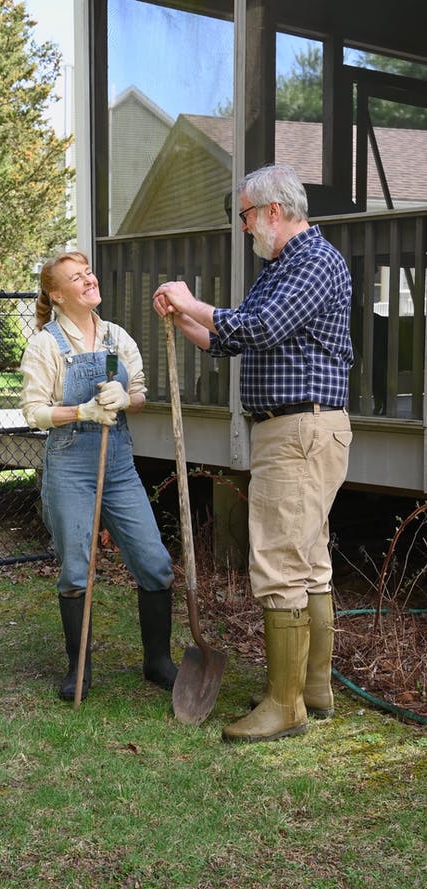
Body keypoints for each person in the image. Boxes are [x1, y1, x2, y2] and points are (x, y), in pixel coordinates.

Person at [153, 164, 353, 743]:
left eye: (243, 216)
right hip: (293, 433)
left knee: (281, 565)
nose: (243, 228)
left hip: (300, 435)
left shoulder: (314, 261)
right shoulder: (282, 268)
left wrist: (194, 299)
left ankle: (284, 706)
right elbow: (234, 336)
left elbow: (260, 326)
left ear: (271, 210)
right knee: (309, 562)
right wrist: (188, 315)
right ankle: (311, 690)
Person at [21, 250, 177, 701]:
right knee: (75, 570)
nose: (89, 280)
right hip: (70, 467)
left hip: (120, 468)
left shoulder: (116, 337)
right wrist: (82, 410)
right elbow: (33, 412)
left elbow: (141, 394)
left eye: (88, 272)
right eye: (77, 277)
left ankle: (158, 661)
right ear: (57, 295)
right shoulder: (46, 344)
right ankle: (80, 669)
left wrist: (125, 400)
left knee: (155, 563)